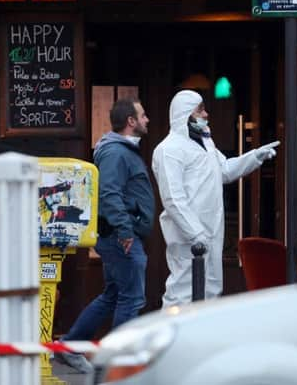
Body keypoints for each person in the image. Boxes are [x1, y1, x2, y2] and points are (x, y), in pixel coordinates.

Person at [152, 89, 279, 308]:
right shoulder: (169, 150)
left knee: (210, 289)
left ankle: (199, 339)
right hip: (188, 237)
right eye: (200, 110)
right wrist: (195, 232)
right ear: (185, 114)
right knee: (182, 292)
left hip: (210, 231)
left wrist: (255, 156)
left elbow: (225, 170)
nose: (206, 114)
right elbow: (173, 198)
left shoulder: (205, 144)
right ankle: (172, 339)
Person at [55, 98, 155, 373]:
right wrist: (125, 231)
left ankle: (71, 345)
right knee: (132, 297)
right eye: (143, 115)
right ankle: (117, 364)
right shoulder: (116, 153)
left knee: (113, 294)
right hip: (121, 236)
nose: (147, 120)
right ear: (131, 121)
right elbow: (109, 194)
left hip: (120, 233)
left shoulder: (121, 150)